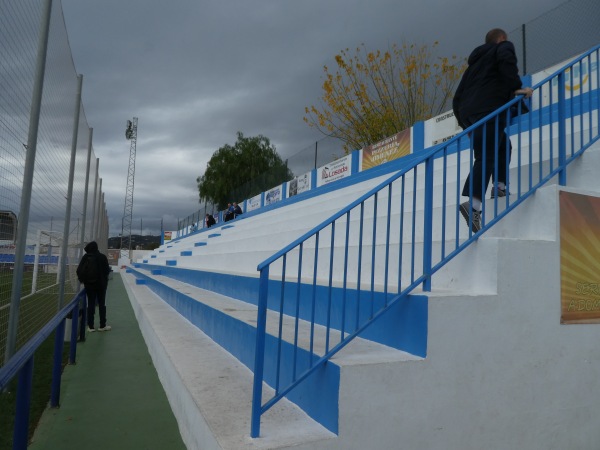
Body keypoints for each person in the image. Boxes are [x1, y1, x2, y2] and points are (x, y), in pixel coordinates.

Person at [453, 28, 533, 233]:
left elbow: (457, 96)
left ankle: (499, 187)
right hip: (488, 109)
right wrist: (518, 87)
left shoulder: (473, 67)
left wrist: (465, 124)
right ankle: (473, 206)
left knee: (503, 145)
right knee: (485, 156)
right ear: (502, 39)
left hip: (469, 114)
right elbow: (507, 62)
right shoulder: (503, 47)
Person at [76, 241, 112, 332]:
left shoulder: (86, 257)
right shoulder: (102, 257)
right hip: (101, 285)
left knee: (91, 304)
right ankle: (102, 325)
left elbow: (79, 270)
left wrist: (83, 280)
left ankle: (91, 326)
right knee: (102, 304)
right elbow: (107, 271)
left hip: (89, 285)